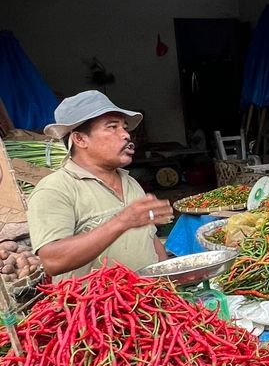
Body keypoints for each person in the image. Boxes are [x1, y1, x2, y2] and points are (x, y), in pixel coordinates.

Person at [27, 91, 174, 280]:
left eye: (124, 127)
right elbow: (53, 261)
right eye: (112, 127)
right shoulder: (55, 189)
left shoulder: (130, 182)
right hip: (97, 308)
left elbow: (150, 241)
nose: (126, 135)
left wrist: (169, 286)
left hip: (146, 302)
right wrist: (122, 221)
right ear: (80, 139)